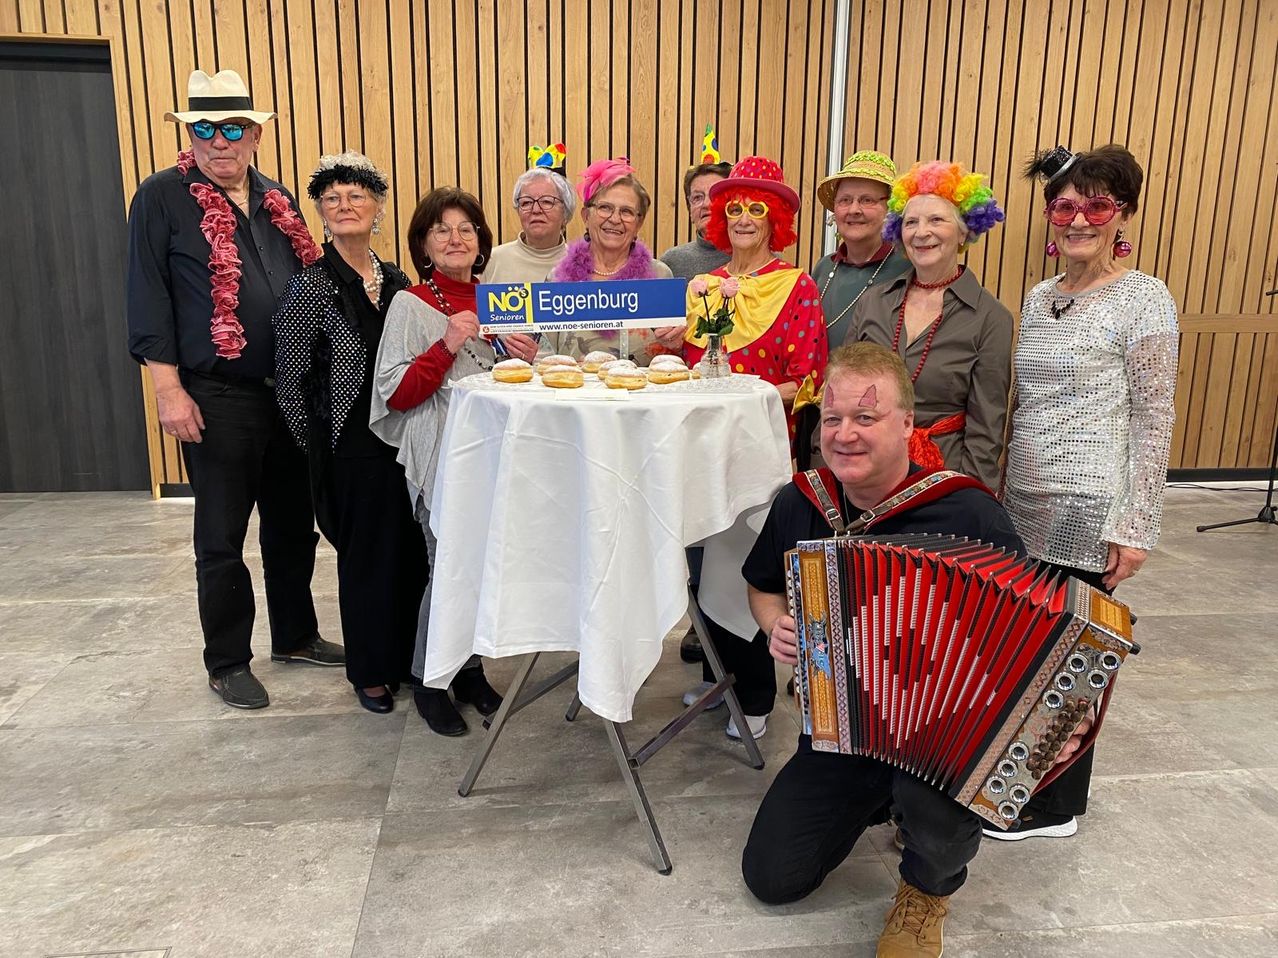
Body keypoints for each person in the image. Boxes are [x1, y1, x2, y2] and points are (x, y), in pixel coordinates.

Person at [739, 342, 1094, 958]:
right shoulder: (802, 502)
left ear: (907, 424)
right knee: (773, 879)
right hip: (844, 728)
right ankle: (880, 798)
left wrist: (1060, 718)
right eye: (832, 418)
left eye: (866, 417)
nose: (844, 434)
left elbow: (1034, 634)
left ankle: (926, 890)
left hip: (943, 736)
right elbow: (762, 585)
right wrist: (775, 624)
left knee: (940, 803)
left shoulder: (969, 513)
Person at [126, 68, 340, 710]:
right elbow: (148, 297)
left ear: (255, 135)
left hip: (289, 391)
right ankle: (226, 660)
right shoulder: (160, 197)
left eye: (233, 128)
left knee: (293, 525)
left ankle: (296, 636)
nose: (219, 142)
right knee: (221, 537)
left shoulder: (277, 199)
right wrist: (168, 389)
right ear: (190, 135)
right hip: (216, 393)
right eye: (205, 129)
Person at [992, 143, 1178, 841]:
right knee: (1025, 650)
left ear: (1121, 214)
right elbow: (1025, 405)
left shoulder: (1144, 298)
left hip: (1091, 506)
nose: (1078, 219)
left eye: (1096, 206)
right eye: (1065, 205)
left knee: (1074, 656)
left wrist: (1137, 526)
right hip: (1024, 499)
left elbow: (1154, 418)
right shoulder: (1040, 298)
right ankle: (1014, 779)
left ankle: (1056, 804)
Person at [656, 155, 829, 742]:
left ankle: (753, 696)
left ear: (776, 220)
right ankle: (718, 680)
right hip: (701, 450)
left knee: (747, 568)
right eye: (734, 209)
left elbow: (808, 379)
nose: (744, 218)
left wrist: (743, 395)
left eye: (757, 208)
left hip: (759, 451)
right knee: (706, 566)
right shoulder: (705, 286)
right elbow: (691, 367)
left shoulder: (796, 285)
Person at [271, 152, 424, 714]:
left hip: (404, 436)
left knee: (409, 554)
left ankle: (406, 657)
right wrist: (321, 449)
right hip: (350, 445)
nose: (344, 205)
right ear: (321, 212)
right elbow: (290, 381)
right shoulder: (309, 287)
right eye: (331, 198)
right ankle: (370, 671)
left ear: (377, 206)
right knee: (365, 560)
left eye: (356, 195)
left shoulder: (398, 281)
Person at [371, 187, 517, 736]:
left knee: (481, 567)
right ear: (424, 244)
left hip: (497, 454)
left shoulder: (500, 301)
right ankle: (429, 680)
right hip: (445, 456)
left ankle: (470, 672)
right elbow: (395, 391)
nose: (455, 239)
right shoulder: (410, 304)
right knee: (450, 568)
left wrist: (524, 355)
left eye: (466, 229)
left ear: (481, 242)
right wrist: (447, 343)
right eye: (441, 230)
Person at [849, 160, 1012, 491]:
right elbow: (843, 391)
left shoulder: (991, 318)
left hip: (941, 479)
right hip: (863, 470)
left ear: (964, 230)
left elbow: (986, 431)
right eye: (911, 222)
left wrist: (969, 499)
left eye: (936, 220)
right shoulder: (872, 302)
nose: (921, 232)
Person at [548, 157, 674, 363]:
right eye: (605, 208)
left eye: (626, 211)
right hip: (574, 384)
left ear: (639, 223)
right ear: (586, 216)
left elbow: (673, 352)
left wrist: (676, 342)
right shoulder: (556, 279)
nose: (615, 219)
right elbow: (546, 355)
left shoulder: (660, 276)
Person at [811, 150, 911, 348]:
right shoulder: (824, 267)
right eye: (845, 200)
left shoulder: (908, 269)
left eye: (867, 200)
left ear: (890, 208)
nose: (854, 210)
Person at [482, 159, 574, 283]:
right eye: (527, 202)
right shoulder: (491, 262)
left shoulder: (580, 264)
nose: (536, 210)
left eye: (546, 201)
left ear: (566, 211)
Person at [659, 131, 732, 279]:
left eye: (715, 195)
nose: (706, 204)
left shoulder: (759, 259)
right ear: (690, 210)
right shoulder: (671, 263)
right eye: (698, 197)